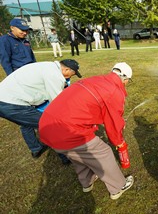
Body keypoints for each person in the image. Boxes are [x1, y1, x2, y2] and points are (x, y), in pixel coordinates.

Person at [39, 62, 134, 200]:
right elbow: (114, 122)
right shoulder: (114, 91)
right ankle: (118, 187)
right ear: (124, 78)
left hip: (46, 125)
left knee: (76, 155)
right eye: (127, 81)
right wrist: (119, 142)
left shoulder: (97, 80)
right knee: (104, 153)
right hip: (66, 130)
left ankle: (87, 182)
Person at [0, 59, 81, 161]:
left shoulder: (47, 66)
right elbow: (57, 102)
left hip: (5, 98)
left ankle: (36, 148)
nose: (69, 78)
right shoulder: (55, 75)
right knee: (49, 125)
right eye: (71, 74)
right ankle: (65, 156)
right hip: (12, 103)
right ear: (66, 69)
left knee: (26, 122)